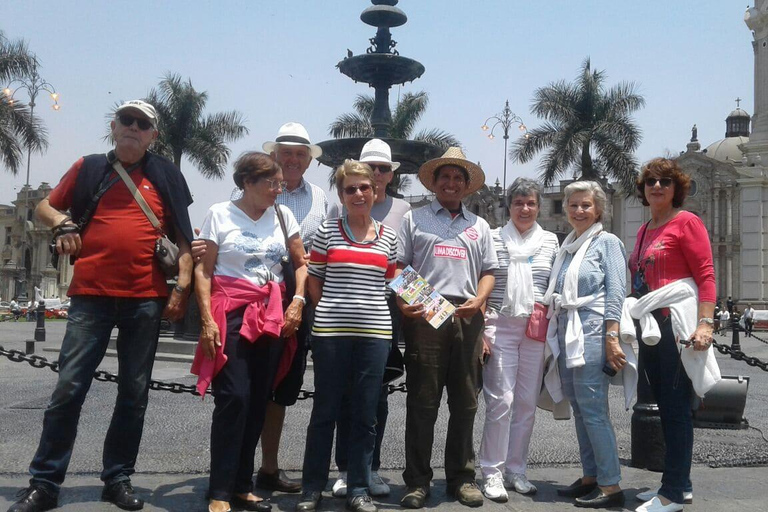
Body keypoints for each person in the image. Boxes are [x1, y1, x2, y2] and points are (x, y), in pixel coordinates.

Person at [9, 100, 194, 512]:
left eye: (142, 123)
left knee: (134, 393)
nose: (133, 127)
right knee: (68, 389)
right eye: (126, 120)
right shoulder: (89, 167)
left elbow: (183, 239)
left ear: (153, 135)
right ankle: (44, 482)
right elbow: (45, 206)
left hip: (145, 299)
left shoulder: (166, 175)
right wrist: (63, 223)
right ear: (114, 126)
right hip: (90, 296)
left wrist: (181, 289)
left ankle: (118, 478)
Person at [194, 123, 327, 493]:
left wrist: (298, 301)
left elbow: (303, 261)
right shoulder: (221, 213)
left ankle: (246, 480)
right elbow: (206, 268)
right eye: (272, 182)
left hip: (277, 310)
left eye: (300, 154)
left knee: (263, 397)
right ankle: (221, 486)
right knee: (234, 397)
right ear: (251, 180)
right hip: (233, 311)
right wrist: (206, 319)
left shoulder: (296, 210)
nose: (278, 187)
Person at [397, 147, 498, 509]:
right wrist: (408, 301)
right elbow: (399, 266)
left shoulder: (479, 226)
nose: (451, 183)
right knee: (423, 401)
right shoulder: (415, 219)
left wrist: (480, 300)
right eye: (445, 178)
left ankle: (462, 478)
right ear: (434, 183)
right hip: (429, 309)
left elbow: (489, 271)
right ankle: (418, 481)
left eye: (458, 178)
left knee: (466, 401)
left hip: (468, 313)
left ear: (466, 186)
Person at [296, 160, 398, 512]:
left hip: (374, 336)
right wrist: (330, 310)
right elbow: (314, 279)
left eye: (364, 187)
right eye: (350, 189)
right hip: (331, 334)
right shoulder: (327, 231)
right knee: (325, 411)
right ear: (341, 194)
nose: (358, 194)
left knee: (365, 414)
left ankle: (358, 486)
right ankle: (312, 487)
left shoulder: (390, 237)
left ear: (374, 191)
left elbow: (389, 283)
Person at [627, 158, 718, 512]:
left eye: (665, 181)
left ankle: (673, 493)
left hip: (678, 326)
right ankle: (680, 483)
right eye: (651, 181)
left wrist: (706, 323)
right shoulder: (644, 230)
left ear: (676, 188)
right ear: (643, 188)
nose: (657, 186)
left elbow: (706, 274)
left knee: (676, 409)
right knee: (665, 408)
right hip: (652, 327)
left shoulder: (687, 222)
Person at [328, 139, 410, 499]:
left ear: (392, 174)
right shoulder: (340, 205)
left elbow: (402, 267)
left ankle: (371, 467)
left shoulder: (405, 210)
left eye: (383, 169)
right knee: (346, 397)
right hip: (344, 316)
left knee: (376, 398)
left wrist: (434, 307)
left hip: (385, 316)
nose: (376, 175)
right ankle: (346, 469)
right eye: (370, 168)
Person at [543, 181, 628, 509]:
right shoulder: (569, 246)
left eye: (586, 205)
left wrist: (611, 337)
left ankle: (611, 485)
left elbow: (616, 290)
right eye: (573, 205)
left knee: (594, 410)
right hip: (568, 332)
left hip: (592, 332)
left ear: (599, 210)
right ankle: (591, 475)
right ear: (566, 209)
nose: (579, 210)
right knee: (580, 407)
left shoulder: (608, 243)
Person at [477, 178, 559, 503]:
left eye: (531, 203)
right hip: (500, 322)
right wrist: (481, 329)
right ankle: (491, 471)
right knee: (501, 401)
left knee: (526, 402)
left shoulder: (551, 241)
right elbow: (482, 279)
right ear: (508, 206)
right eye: (518, 203)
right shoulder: (494, 238)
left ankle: (516, 469)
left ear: (538, 206)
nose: (525, 209)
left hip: (535, 328)